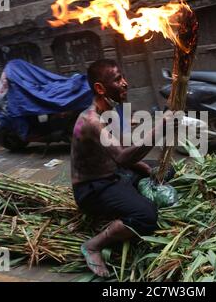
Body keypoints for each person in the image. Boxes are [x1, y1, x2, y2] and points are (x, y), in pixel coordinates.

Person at [71, 59, 175, 277]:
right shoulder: (90, 121)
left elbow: (123, 152)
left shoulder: (112, 112)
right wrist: (161, 125)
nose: (125, 83)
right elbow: (123, 156)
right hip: (93, 189)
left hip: (115, 173)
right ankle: (93, 246)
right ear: (100, 88)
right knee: (147, 216)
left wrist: (146, 168)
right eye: (118, 79)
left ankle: (135, 191)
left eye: (123, 77)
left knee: (165, 171)